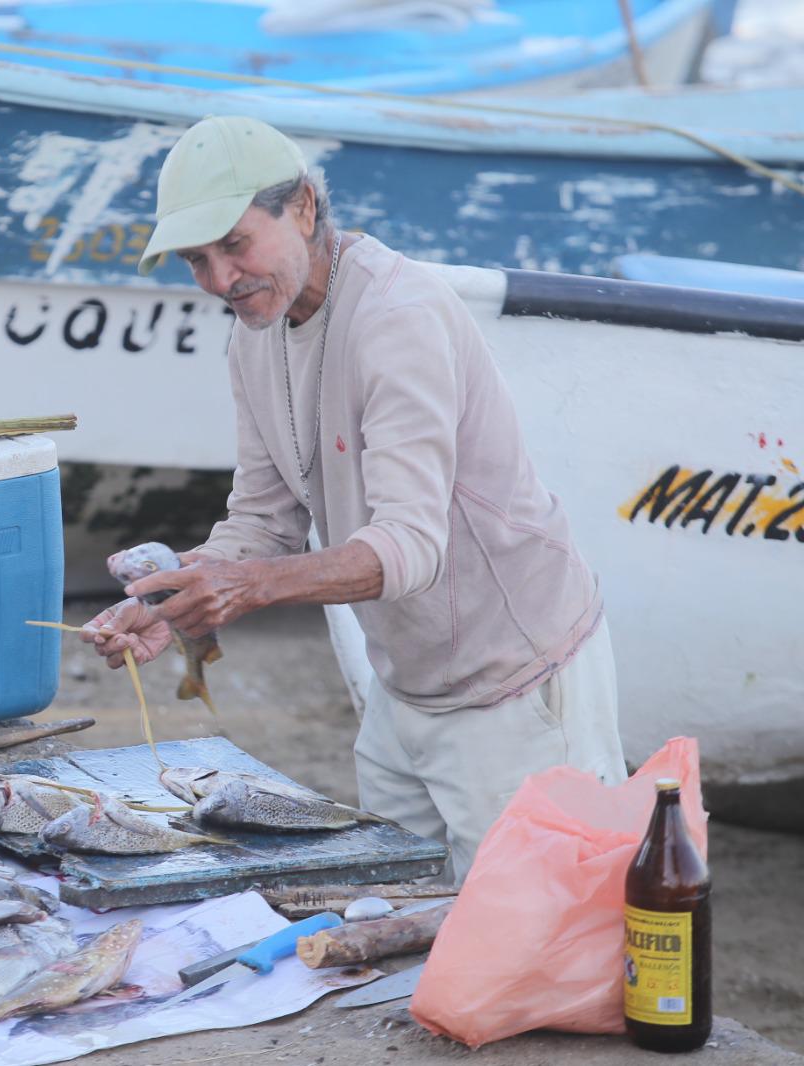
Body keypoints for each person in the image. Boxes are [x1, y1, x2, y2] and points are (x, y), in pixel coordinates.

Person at [82, 115, 627, 883]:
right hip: (402, 682)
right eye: (195, 260)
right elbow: (263, 521)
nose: (220, 280)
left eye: (234, 245)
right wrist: (172, 594)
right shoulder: (255, 331)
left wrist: (243, 588)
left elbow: (411, 549)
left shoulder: (396, 317)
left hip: (515, 680)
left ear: (304, 206)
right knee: (397, 906)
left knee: (528, 952)